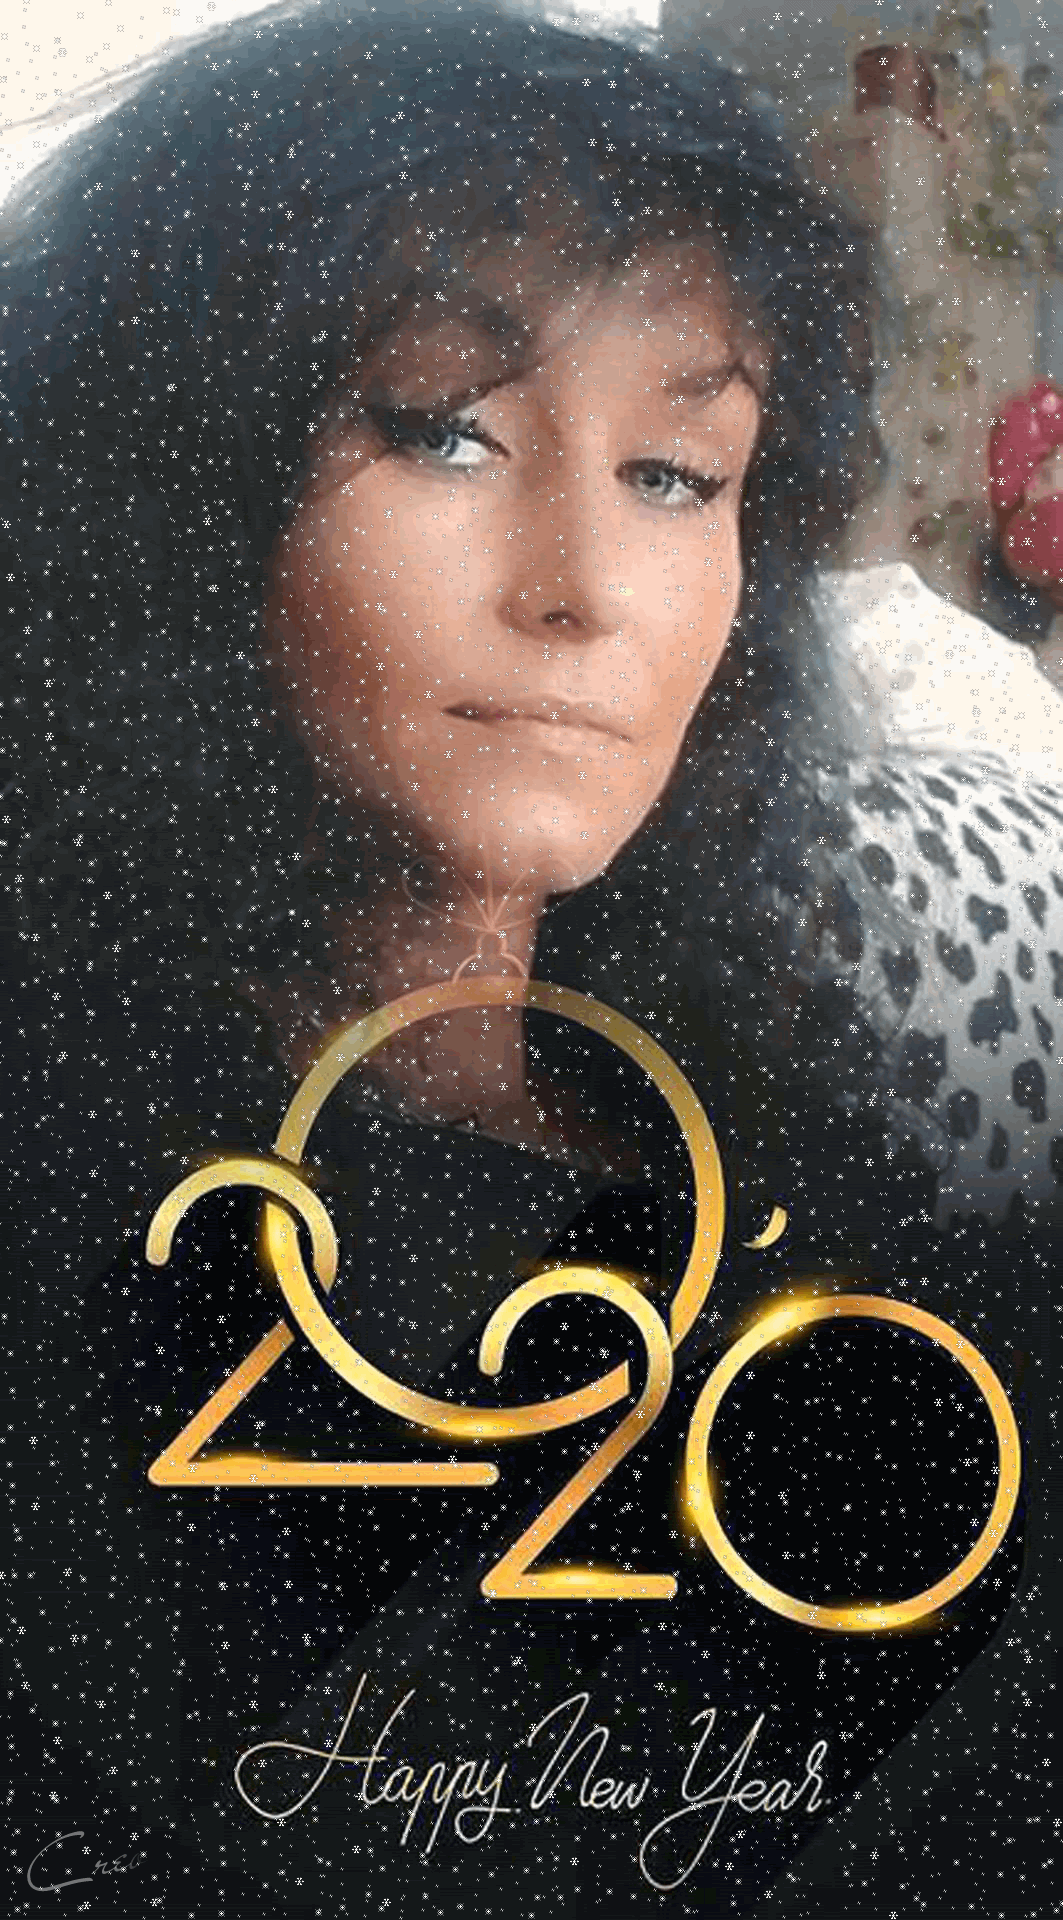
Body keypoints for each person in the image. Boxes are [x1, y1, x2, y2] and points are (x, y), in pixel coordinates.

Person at [2, 6, 1058, 1917]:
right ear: (185, 486)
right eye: (443, 429)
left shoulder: (828, 1172)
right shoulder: (83, 1217)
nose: (582, 587)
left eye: (675, 473)